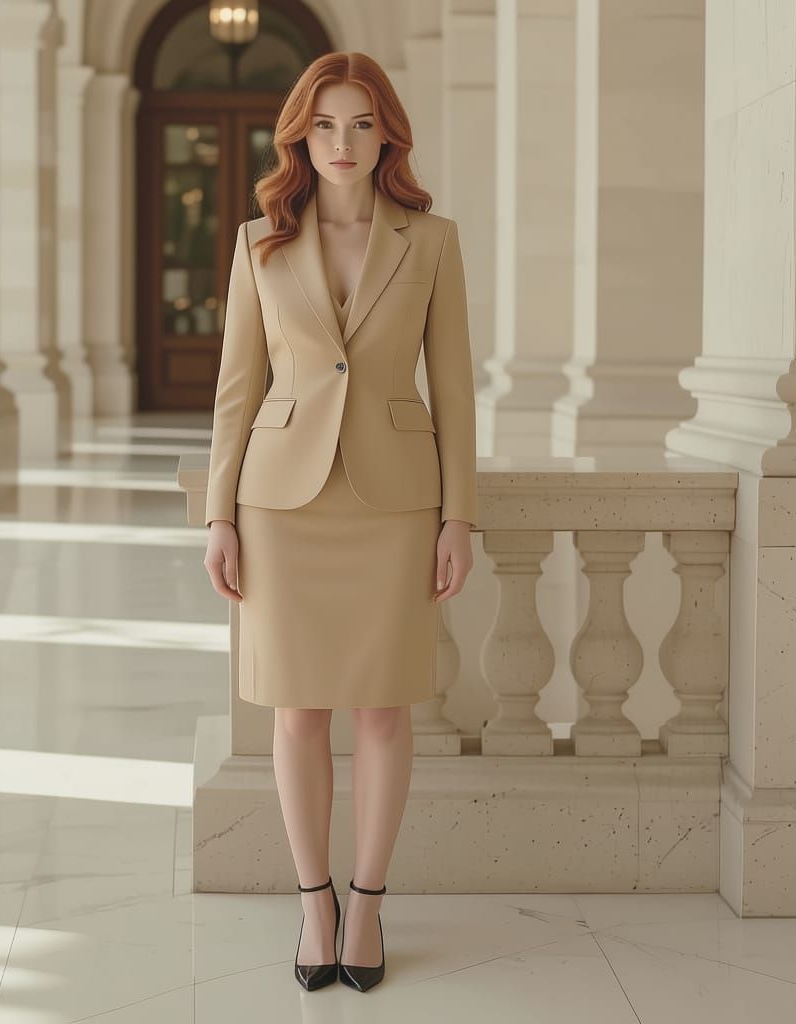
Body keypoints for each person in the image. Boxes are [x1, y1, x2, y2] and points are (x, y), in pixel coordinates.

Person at [203, 51, 478, 993]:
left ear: (387, 133)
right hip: (280, 504)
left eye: (361, 123)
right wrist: (218, 516)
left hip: (396, 501)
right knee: (297, 712)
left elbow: (455, 392)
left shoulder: (431, 242)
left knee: (384, 710)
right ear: (299, 136)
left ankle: (366, 906)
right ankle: (312, 903)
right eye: (325, 125)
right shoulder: (259, 242)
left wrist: (459, 517)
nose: (343, 142)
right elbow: (237, 391)